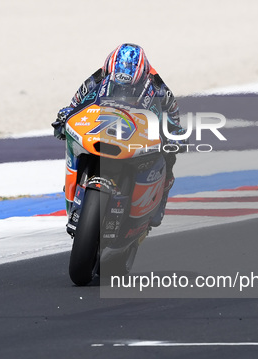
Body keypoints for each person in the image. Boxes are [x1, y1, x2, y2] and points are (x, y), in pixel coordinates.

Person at [51, 43, 183, 227]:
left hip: (138, 128)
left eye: (128, 87)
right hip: (104, 123)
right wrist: (65, 116)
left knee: (169, 156)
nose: (123, 90)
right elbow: (76, 102)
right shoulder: (98, 77)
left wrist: (175, 132)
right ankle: (75, 188)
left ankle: (159, 202)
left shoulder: (157, 85)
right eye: (119, 85)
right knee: (74, 142)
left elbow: (174, 111)